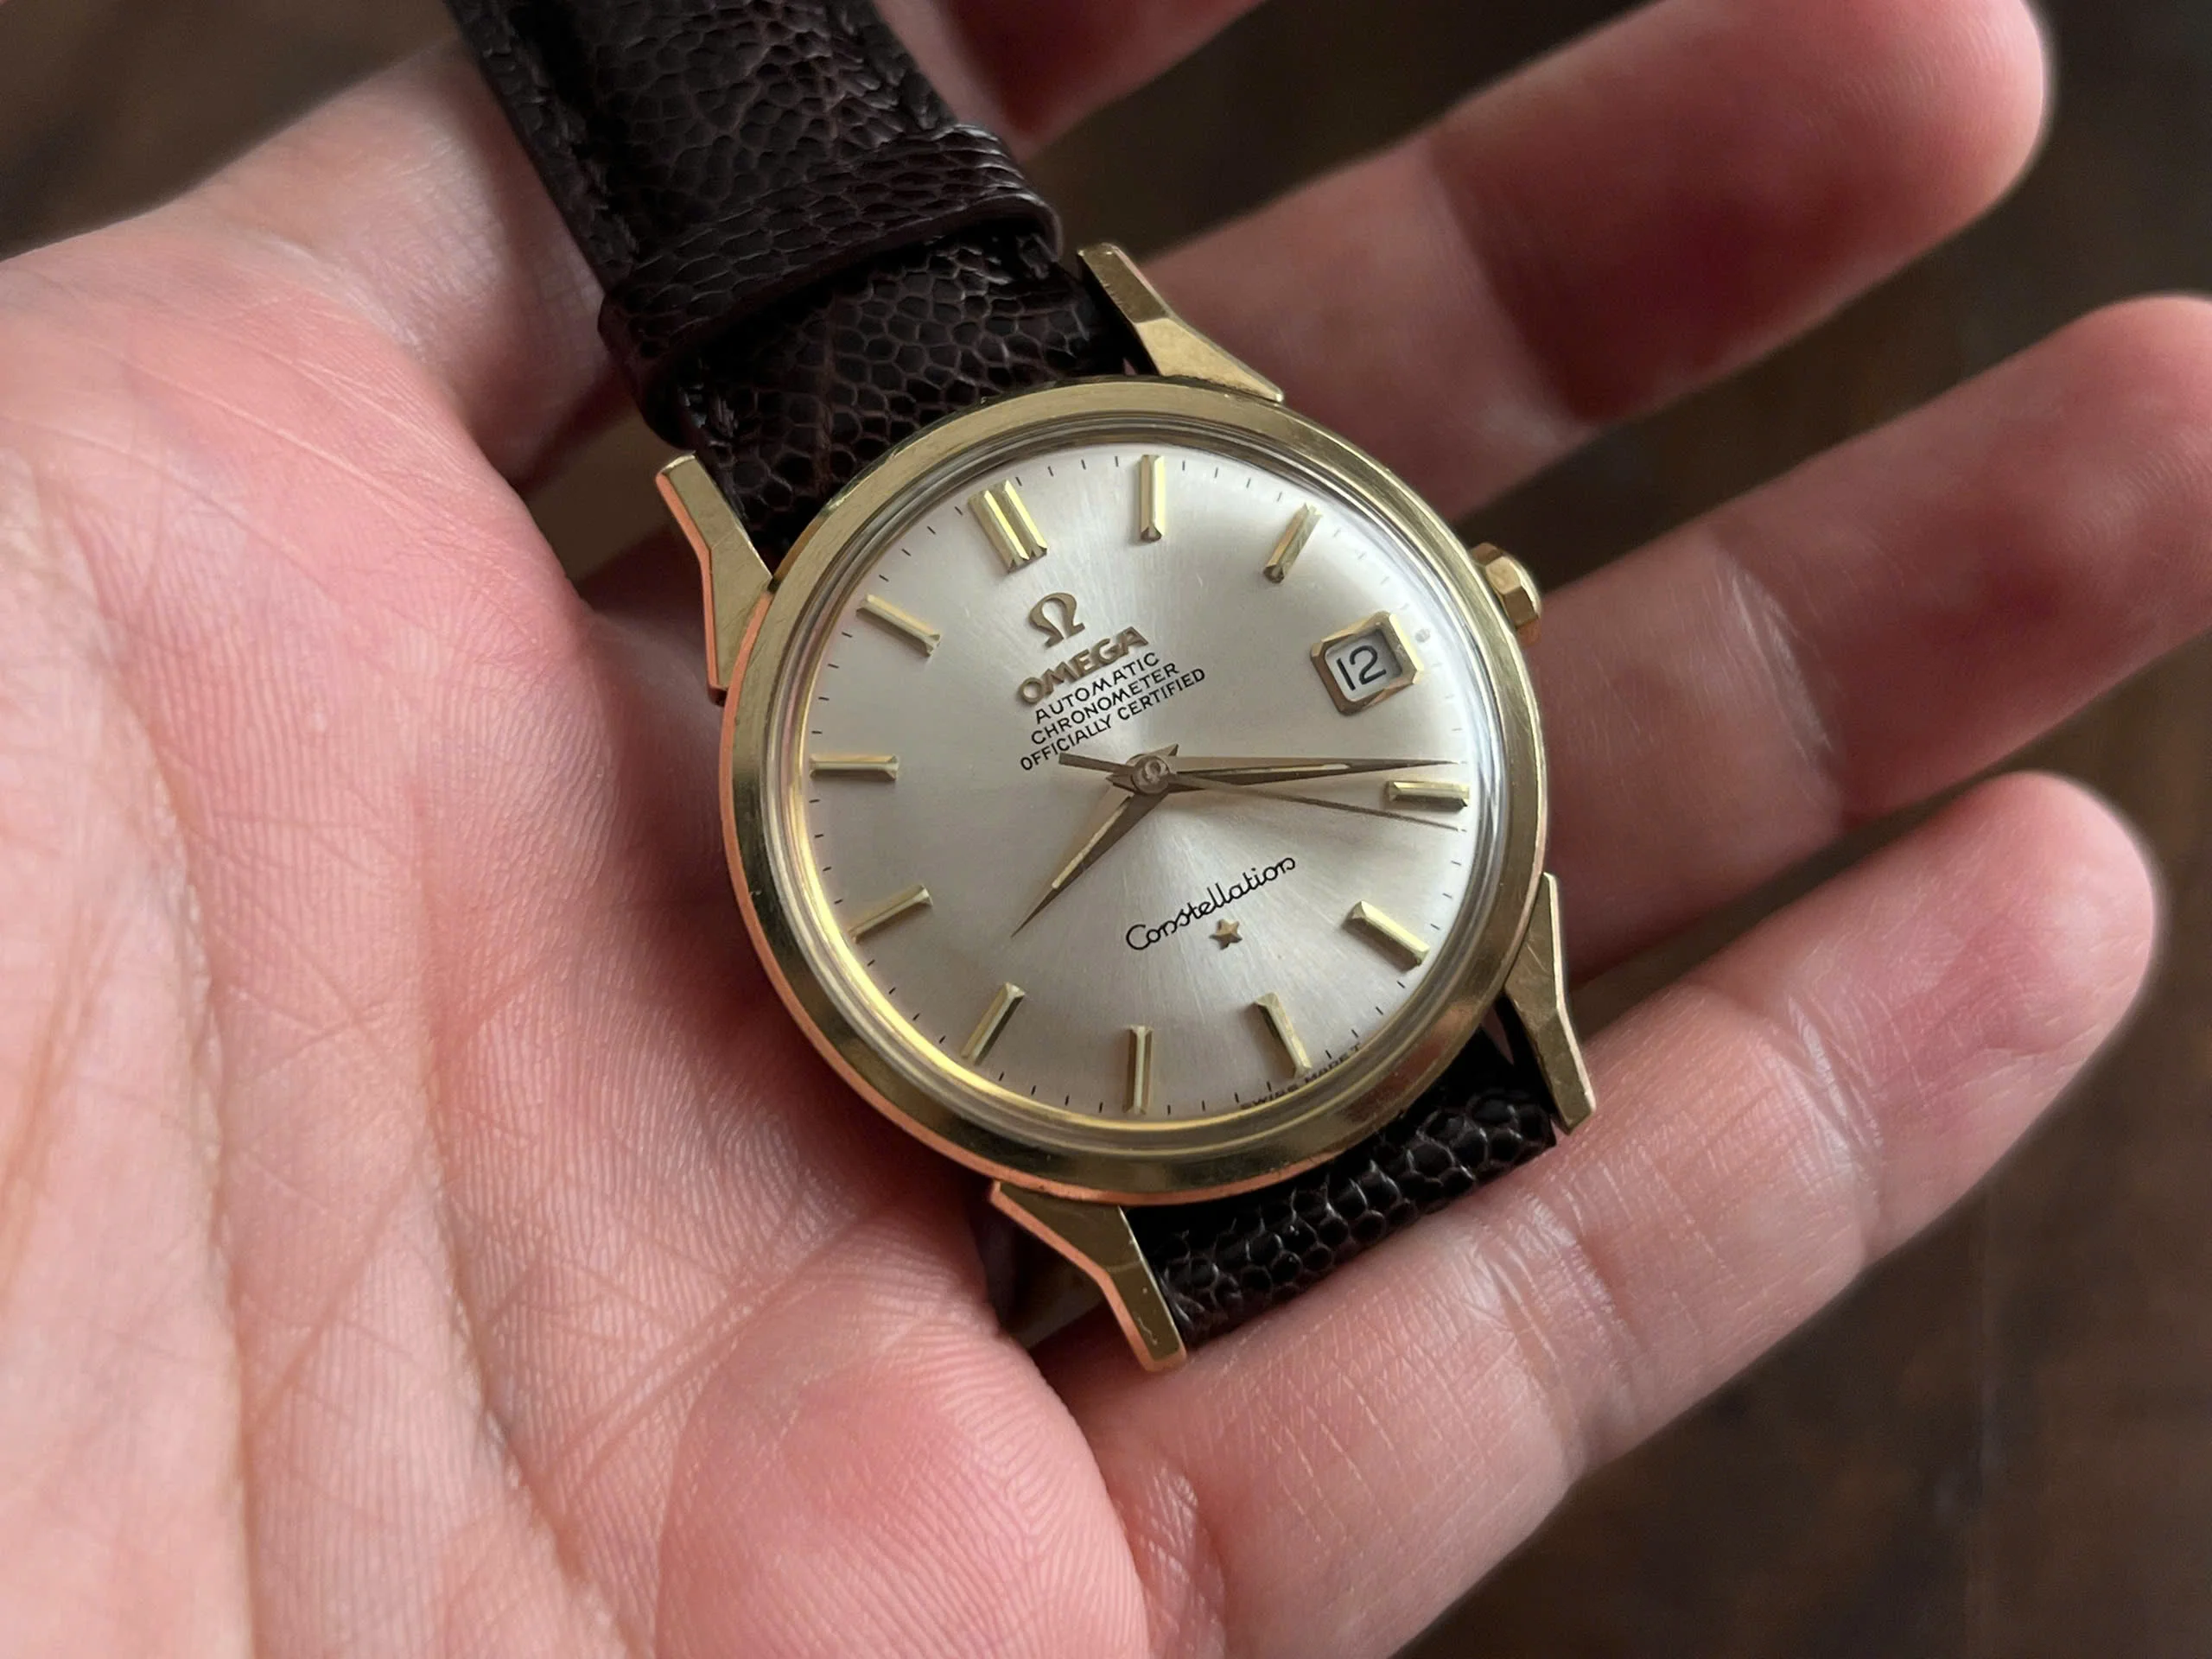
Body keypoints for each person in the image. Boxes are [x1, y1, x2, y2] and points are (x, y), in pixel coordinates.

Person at [1, 0, 2202, 1651]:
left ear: (1473, 603)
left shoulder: (1159, 490)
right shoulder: (812, 656)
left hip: (1335, 978)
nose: (1141, 790)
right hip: (1138, 1114)